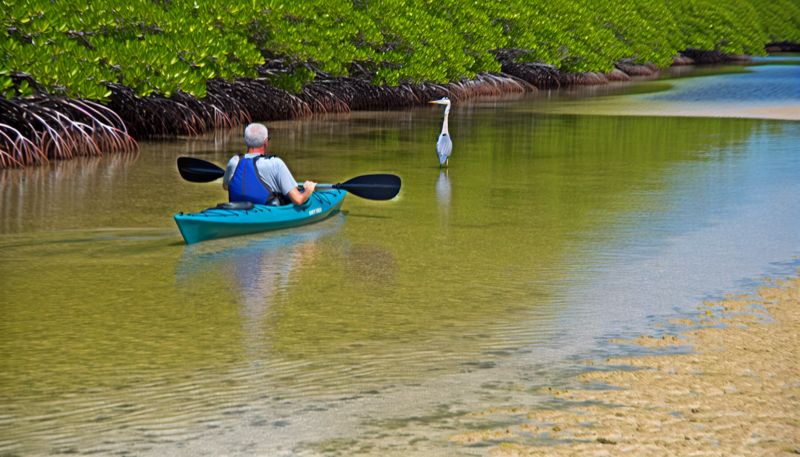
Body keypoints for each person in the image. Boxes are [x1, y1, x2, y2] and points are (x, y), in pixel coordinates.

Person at [222, 123, 316, 206]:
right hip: (266, 213)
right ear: (265, 142)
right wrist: (308, 190)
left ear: (246, 140)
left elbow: (226, 187)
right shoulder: (275, 163)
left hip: (238, 210)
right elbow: (298, 200)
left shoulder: (234, 161)